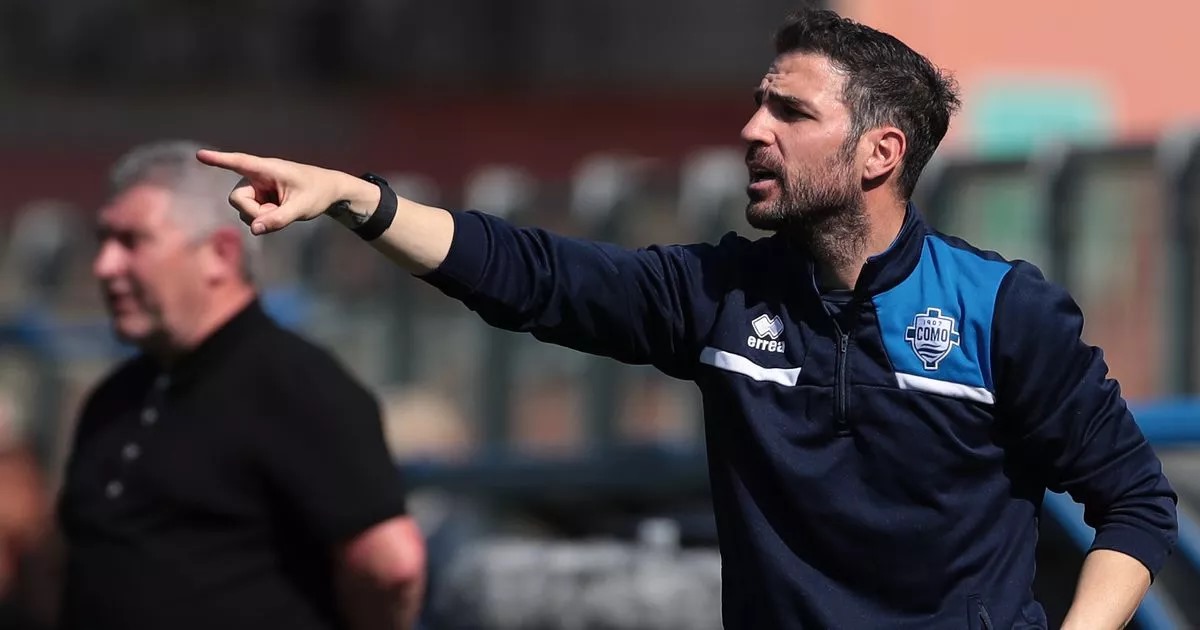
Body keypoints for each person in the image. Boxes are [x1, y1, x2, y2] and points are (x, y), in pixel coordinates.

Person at [198, 8, 1178, 630]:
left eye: (790, 113)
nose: (752, 130)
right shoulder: (719, 294)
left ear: (880, 154)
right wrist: (358, 201)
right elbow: (531, 275)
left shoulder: (1002, 311)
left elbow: (1134, 503)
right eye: (757, 104)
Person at [57, 140, 426, 630]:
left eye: (132, 241)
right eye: (104, 240)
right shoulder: (118, 396)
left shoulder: (296, 386)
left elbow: (391, 565)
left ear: (220, 254)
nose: (105, 266)